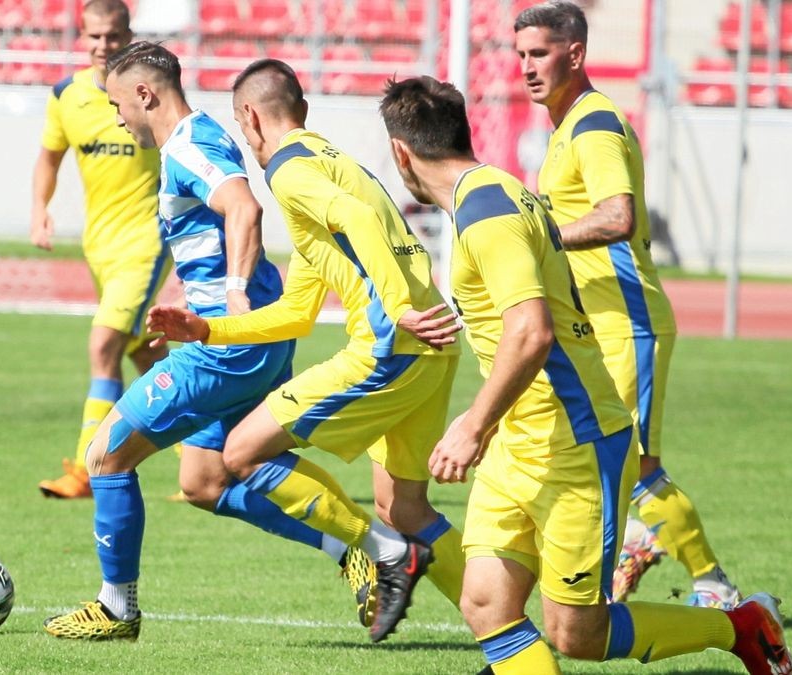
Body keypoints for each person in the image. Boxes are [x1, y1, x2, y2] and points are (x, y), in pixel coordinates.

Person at [379, 74, 792, 675]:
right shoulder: (496, 194)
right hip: (519, 444)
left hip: (575, 443)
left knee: (577, 632)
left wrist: (472, 423)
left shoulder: (486, 212)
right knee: (485, 602)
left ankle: (740, 629)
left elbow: (532, 331)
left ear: (401, 152)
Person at [42, 43, 376, 641]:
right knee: (205, 480)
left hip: (232, 341)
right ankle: (358, 548)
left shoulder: (189, 145)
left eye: (119, 104)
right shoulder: (195, 138)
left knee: (105, 454)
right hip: (249, 333)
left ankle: (116, 608)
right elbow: (213, 230)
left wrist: (235, 292)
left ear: (145, 95)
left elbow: (243, 209)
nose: (118, 117)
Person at [148, 59, 465, 643]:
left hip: (392, 345)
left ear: (250, 117)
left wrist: (396, 311)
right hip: (433, 347)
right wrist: (208, 331)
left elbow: (357, 217)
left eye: (244, 135)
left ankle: (384, 554)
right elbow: (297, 310)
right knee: (406, 506)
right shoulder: (336, 163)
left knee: (239, 453)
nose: (247, 145)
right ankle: (501, 622)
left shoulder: (292, 173)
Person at [515, 0, 741, 608]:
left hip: (628, 322)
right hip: (597, 326)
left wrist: (542, 235)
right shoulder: (566, 128)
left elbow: (619, 216)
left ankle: (712, 585)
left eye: (539, 54)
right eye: (521, 56)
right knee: (595, 454)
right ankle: (638, 544)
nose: (527, 68)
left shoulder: (592, 126)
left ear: (576, 54)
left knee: (636, 464)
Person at [30, 0, 173, 500]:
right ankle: (208, 455)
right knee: (148, 356)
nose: (102, 46)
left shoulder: (147, 90)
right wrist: (40, 210)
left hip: (146, 243)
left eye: (111, 37)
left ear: (128, 33)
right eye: (93, 37)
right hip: (100, 248)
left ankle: (89, 469)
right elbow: (49, 159)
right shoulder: (66, 95)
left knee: (102, 346)